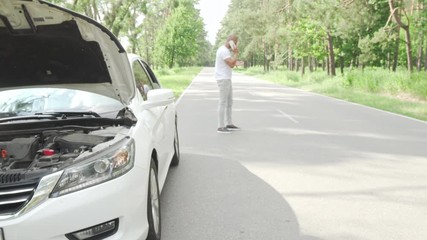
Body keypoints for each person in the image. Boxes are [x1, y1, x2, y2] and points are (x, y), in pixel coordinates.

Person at [214, 34, 241, 134]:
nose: (236, 44)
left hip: (227, 78)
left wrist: (234, 59)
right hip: (223, 79)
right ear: (230, 41)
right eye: (235, 42)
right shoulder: (223, 50)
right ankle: (220, 126)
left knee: (230, 102)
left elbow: (232, 64)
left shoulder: (226, 51)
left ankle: (229, 123)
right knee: (223, 102)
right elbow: (231, 64)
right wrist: (236, 54)